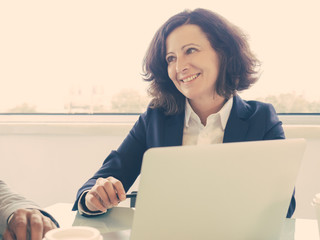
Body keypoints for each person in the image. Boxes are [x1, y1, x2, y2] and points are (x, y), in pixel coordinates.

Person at [73, 8, 295, 218]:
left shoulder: (262, 119)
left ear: (223, 52)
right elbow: (94, 186)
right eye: (171, 58)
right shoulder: (155, 118)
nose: (180, 66)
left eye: (191, 50)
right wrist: (94, 198)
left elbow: (284, 206)